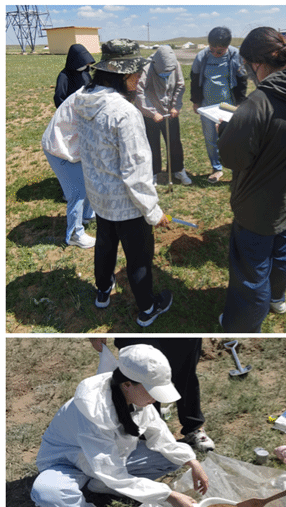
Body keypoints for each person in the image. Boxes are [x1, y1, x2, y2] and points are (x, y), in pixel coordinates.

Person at [30, 344, 209, 507]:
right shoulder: (92, 412)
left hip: (107, 462)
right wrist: (169, 495)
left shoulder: (134, 397)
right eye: (152, 391)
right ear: (127, 384)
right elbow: (113, 473)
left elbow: (160, 434)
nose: (156, 399)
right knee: (47, 492)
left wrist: (192, 462)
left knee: (171, 458)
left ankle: (99, 486)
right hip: (67, 465)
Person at [217, 27, 286, 332]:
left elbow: (233, 159)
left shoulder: (258, 103)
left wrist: (225, 131)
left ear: (257, 64)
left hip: (259, 206)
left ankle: (243, 325)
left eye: (246, 65)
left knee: (251, 270)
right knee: (281, 252)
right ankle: (277, 297)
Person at [74, 39, 173, 327]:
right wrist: (153, 212)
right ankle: (148, 308)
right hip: (128, 205)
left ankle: (103, 291)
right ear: (124, 74)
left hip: (99, 196)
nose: (140, 79)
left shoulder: (84, 98)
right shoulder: (125, 113)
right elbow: (136, 172)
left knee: (105, 246)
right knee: (139, 258)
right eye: (137, 73)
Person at [91, 338, 214, 452]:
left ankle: (193, 428)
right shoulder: (95, 413)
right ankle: (144, 435)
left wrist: (189, 460)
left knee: (185, 374)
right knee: (139, 373)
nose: (155, 399)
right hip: (138, 336)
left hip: (180, 341)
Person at [190, 26, 248, 183]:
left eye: (220, 51)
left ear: (227, 46)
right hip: (207, 106)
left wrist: (240, 104)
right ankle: (216, 168)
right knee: (210, 140)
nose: (215, 53)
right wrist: (196, 101)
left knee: (232, 138)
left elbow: (242, 80)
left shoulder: (235, 55)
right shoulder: (202, 56)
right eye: (212, 48)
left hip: (228, 106)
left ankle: (237, 171)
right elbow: (195, 78)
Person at [42, 88, 96, 248]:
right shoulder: (90, 101)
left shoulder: (96, 93)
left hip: (72, 144)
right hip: (59, 148)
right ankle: (74, 234)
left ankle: (86, 215)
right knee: (77, 191)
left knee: (88, 180)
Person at [135, 45, 191, 186]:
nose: (166, 74)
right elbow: (139, 92)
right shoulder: (147, 67)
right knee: (152, 144)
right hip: (151, 113)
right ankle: (153, 173)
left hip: (169, 112)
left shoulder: (175, 65)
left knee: (174, 142)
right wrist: (152, 112)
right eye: (163, 72)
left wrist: (176, 106)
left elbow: (180, 85)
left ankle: (178, 170)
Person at [54, 43, 94, 107]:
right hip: (72, 110)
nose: (86, 65)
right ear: (76, 60)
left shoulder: (85, 73)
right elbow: (59, 99)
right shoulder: (64, 77)